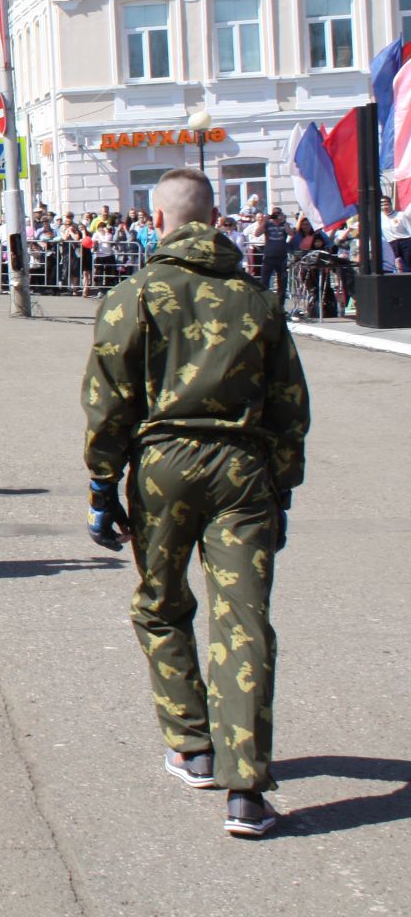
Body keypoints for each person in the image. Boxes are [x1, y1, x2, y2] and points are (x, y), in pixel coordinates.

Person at [79, 168, 310, 839]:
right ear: (213, 219)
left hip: (164, 468)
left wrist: (102, 484)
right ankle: (247, 790)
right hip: (243, 471)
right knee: (244, 621)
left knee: (160, 603)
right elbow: (290, 405)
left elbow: (108, 399)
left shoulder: (136, 294)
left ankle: (192, 743)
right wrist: (282, 490)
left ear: (161, 219)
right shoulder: (255, 300)